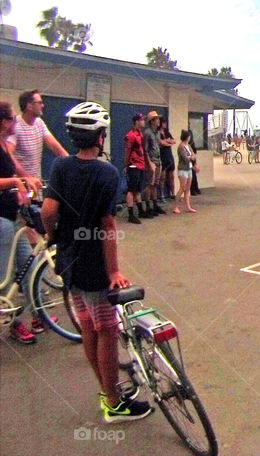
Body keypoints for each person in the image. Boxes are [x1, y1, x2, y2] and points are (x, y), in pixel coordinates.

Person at [41, 102, 154, 422]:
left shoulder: (61, 167)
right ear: (100, 137)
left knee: (89, 327)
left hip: (68, 262)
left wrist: (52, 236)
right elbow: (107, 225)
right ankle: (114, 402)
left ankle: (107, 391)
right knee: (106, 329)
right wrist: (114, 270)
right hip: (94, 266)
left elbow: (48, 211)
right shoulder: (106, 173)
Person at [0, 101, 43, 344]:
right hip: (2, 221)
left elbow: (12, 172)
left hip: (14, 218)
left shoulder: (4, 145)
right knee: (5, 279)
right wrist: (16, 183)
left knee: (31, 267)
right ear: (4, 122)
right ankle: (13, 323)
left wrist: (26, 180)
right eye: (12, 118)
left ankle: (38, 315)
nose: (15, 122)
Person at [122, 114, 148, 223]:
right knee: (131, 190)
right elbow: (127, 151)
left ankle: (141, 211)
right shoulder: (131, 135)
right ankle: (131, 215)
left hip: (140, 164)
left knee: (138, 189)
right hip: (133, 165)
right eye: (142, 120)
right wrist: (126, 165)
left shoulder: (140, 134)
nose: (143, 122)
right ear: (137, 121)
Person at [142, 112, 165, 216]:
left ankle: (155, 205)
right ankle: (148, 206)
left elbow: (158, 144)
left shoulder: (157, 132)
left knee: (155, 184)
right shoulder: (147, 133)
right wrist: (149, 162)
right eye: (156, 119)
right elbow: (145, 149)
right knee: (149, 184)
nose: (158, 121)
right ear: (152, 121)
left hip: (158, 160)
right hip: (151, 161)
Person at [173, 130, 196, 214]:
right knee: (182, 188)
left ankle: (188, 207)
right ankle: (175, 206)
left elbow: (193, 155)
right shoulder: (181, 147)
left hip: (189, 168)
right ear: (187, 137)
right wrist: (191, 157)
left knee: (187, 189)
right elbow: (185, 158)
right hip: (182, 169)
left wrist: (191, 157)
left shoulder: (188, 146)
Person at [158, 117, 176, 202]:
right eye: (164, 123)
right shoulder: (158, 133)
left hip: (169, 155)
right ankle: (162, 195)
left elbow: (173, 141)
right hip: (162, 156)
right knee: (162, 177)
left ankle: (172, 193)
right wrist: (167, 141)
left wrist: (167, 142)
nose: (165, 124)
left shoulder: (167, 132)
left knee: (171, 176)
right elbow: (161, 143)